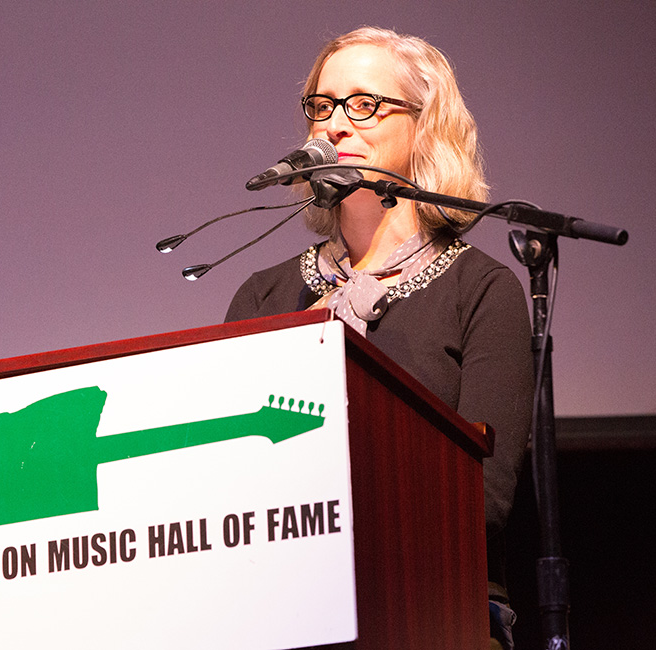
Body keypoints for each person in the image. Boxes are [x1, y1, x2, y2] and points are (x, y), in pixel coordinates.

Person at [224, 27, 534, 649]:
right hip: (288, 605)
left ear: (426, 127)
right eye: (323, 105)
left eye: (364, 104)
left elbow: (482, 502)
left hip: (437, 603)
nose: (335, 125)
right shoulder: (262, 295)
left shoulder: (481, 291)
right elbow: (230, 479)